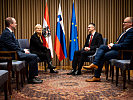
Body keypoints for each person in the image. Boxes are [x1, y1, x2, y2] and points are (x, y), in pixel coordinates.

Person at [84, 17, 133, 82]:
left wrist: (113, 46)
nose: (123, 23)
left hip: (123, 53)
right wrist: (113, 44)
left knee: (102, 56)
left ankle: (96, 76)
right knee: (102, 47)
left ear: (130, 23)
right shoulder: (125, 32)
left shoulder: (131, 32)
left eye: (125, 22)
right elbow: (118, 42)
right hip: (118, 49)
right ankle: (95, 64)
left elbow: (125, 45)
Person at [0, 17, 43, 84]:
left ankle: (34, 76)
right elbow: (12, 46)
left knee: (35, 56)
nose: (16, 24)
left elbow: (14, 45)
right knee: (33, 57)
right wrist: (23, 51)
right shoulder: (6, 33)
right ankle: (31, 78)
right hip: (10, 55)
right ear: (11, 24)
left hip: (15, 53)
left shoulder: (9, 32)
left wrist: (23, 50)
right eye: (15, 23)